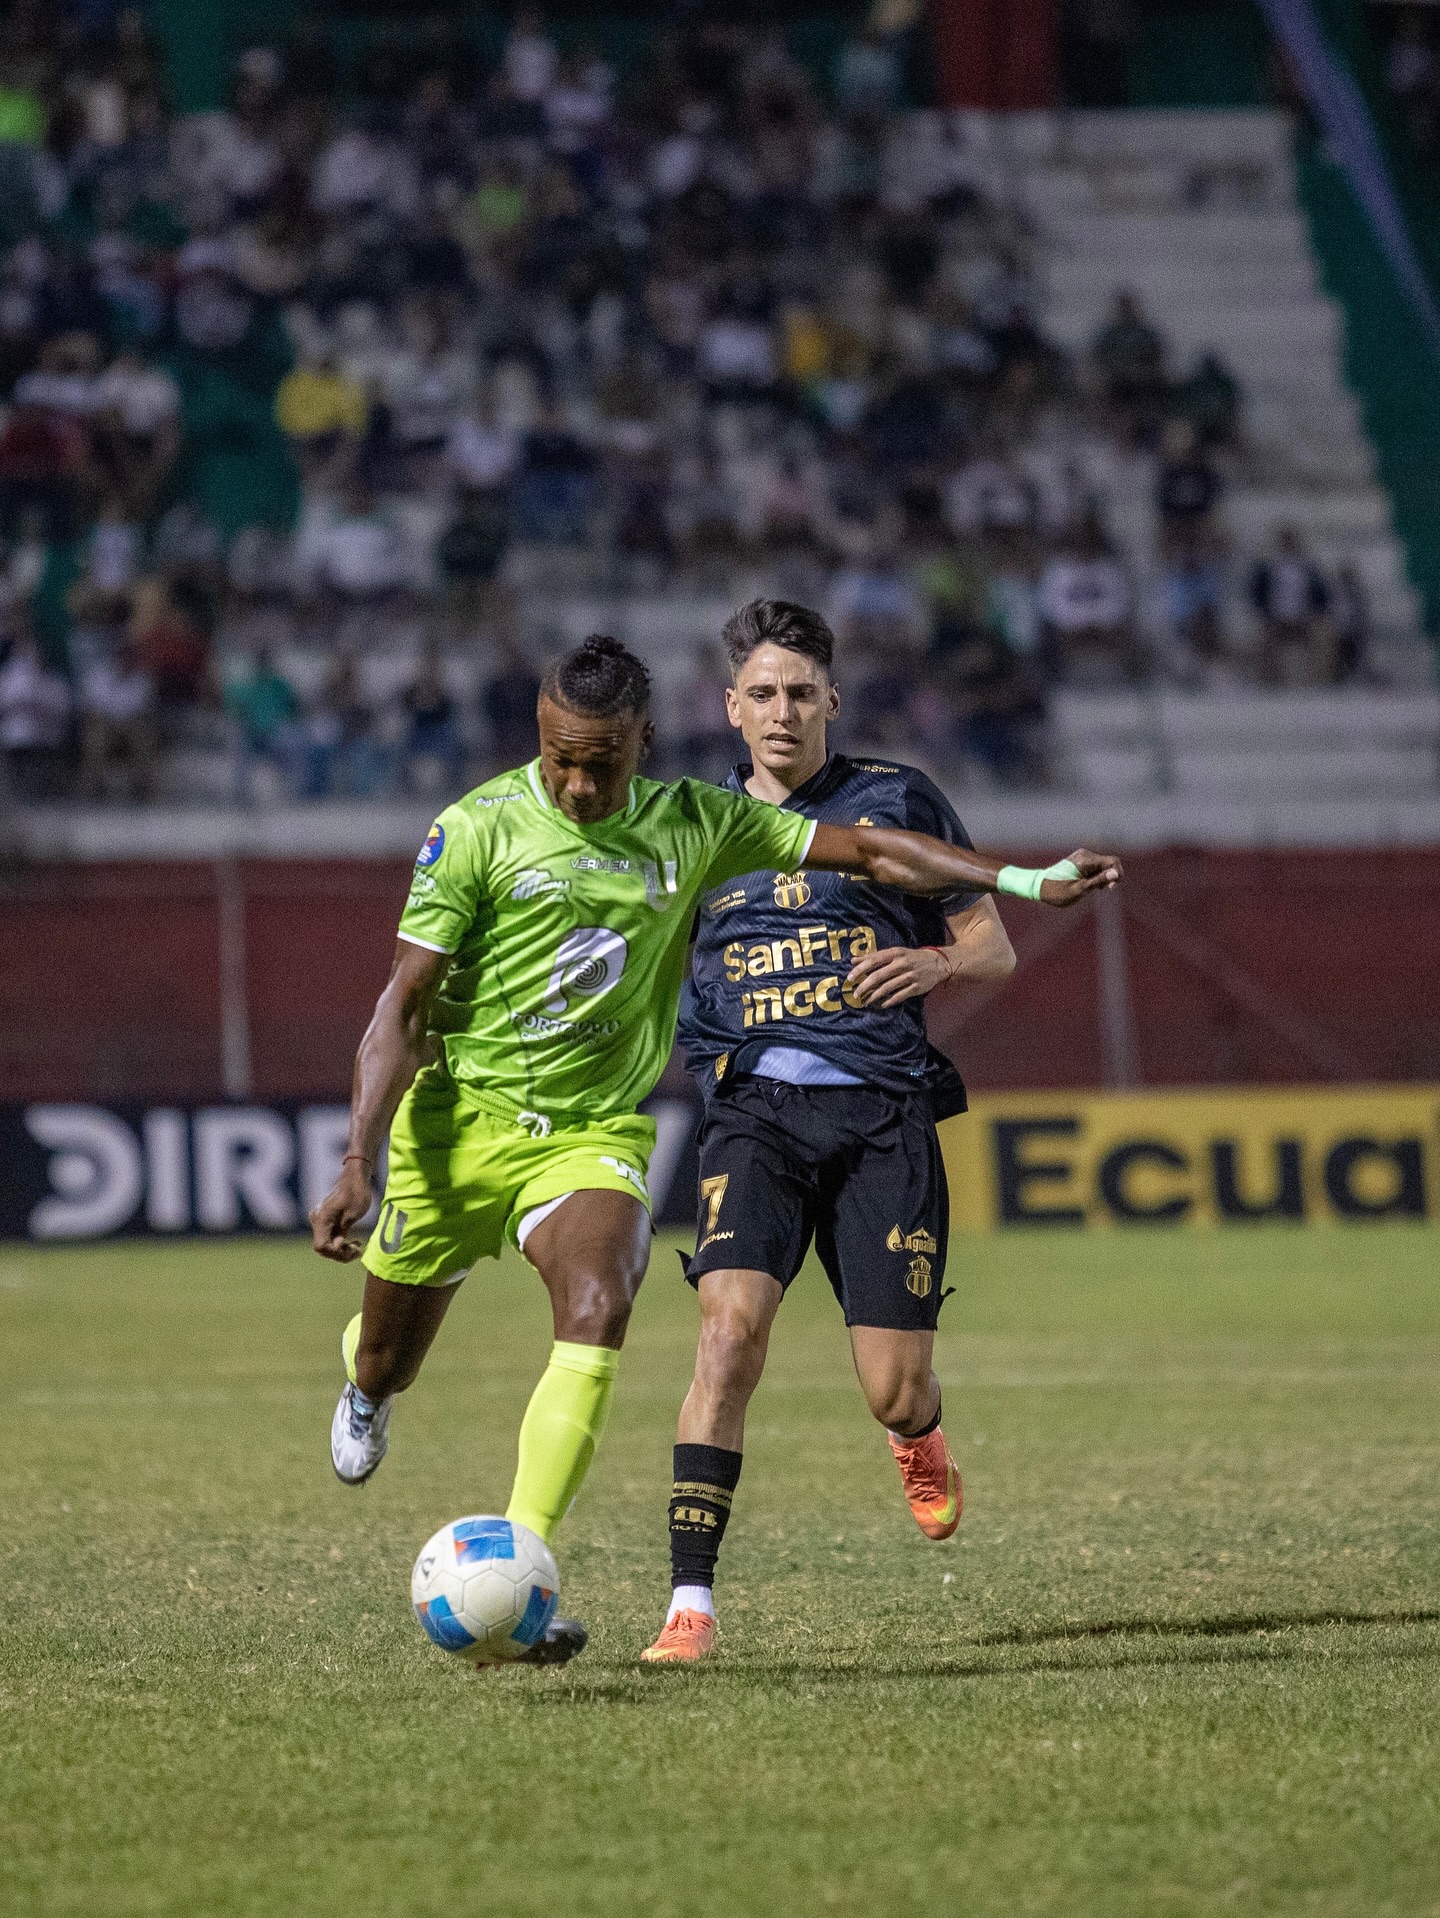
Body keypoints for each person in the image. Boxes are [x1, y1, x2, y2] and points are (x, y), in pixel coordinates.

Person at [309, 633, 1120, 1666]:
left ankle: (522, 1571)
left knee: (604, 1306)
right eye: (559, 756)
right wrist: (357, 1159)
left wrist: (1026, 875)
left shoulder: (694, 823)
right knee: (388, 1353)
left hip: (592, 1135)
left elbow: (871, 849)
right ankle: (368, 1387)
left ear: (644, 742)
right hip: (458, 1132)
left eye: (601, 761)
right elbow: (402, 1005)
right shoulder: (473, 831)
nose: (577, 781)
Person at [639, 600, 1015, 1662]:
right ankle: (690, 1605)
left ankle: (920, 1433)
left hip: (884, 1113)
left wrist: (936, 962)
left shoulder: (896, 800)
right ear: (729, 707)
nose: (782, 710)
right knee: (727, 1336)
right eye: (762, 692)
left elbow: (993, 946)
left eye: (802, 692)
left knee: (892, 1388)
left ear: (832, 702)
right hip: (752, 1113)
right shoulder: (692, 825)